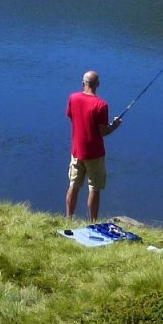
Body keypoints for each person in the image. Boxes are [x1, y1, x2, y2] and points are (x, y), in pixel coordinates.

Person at [65, 69, 122, 222]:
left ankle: (68, 218)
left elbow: (72, 117)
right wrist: (114, 125)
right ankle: (93, 222)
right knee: (94, 188)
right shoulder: (101, 105)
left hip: (77, 151)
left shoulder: (73, 98)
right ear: (98, 84)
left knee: (74, 185)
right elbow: (103, 132)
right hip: (95, 153)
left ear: (83, 83)